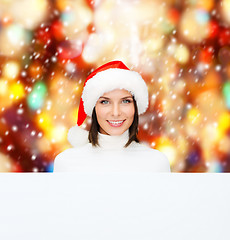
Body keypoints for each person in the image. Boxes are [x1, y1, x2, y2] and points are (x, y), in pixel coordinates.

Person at [53, 60, 171, 172]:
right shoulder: (67, 163)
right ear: (94, 108)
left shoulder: (156, 164)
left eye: (125, 101)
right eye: (105, 102)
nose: (115, 113)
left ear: (135, 106)